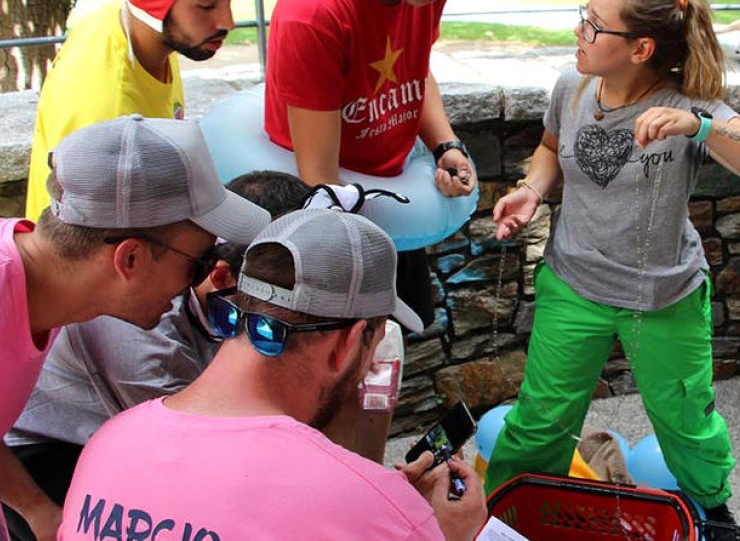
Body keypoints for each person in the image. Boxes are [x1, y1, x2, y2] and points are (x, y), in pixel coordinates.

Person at [483, 0, 740, 530]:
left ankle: (716, 512)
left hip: (664, 296)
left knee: (685, 422)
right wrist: (531, 191)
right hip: (574, 285)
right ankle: (502, 517)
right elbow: (550, 147)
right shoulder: (570, 87)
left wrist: (701, 128)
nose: (577, 31)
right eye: (584, 15)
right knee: (539, 421)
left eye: (593, 25)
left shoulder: (689, 104)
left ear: (640, 48)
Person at [58, 209, 487, 541]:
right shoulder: (368, 509)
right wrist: (437, 531)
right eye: (373, 345)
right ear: (349, 342)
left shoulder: (109, 441)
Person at [0, 114, 270, 540]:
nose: (200, 280)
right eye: (198, 263)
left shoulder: (43, 288)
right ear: (129, 259)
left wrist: (36, 508)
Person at [264, 0, 492, 330]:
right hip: (329, 225)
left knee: (400, 351)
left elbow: (414, 66)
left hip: (393, 199)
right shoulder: (316, 12)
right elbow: (320, 181)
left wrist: (445, 146)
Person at [25, 0, 245, 221]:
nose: (227, 22)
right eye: (207, 5)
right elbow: (94, 247)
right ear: (154, 1)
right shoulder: (106, 107)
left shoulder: (147, 32)